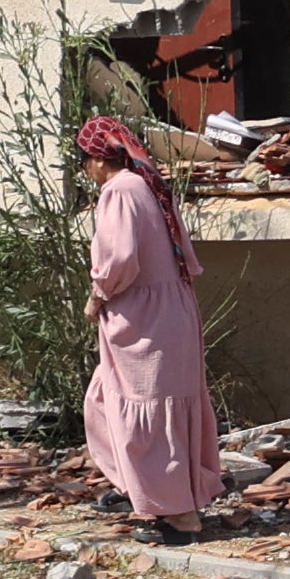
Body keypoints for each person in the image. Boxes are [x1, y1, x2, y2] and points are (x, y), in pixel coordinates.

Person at [73, 115, 221, 542]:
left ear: (99, 160)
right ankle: (141, 487)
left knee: (151, 408)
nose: (87, 171)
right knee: (109, 399)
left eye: (85, 162)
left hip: (143, 316)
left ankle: (180, 517)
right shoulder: (148, 183)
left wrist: (97, 295)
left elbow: (120, 259)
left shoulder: (119, 190)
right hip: (169, 307)